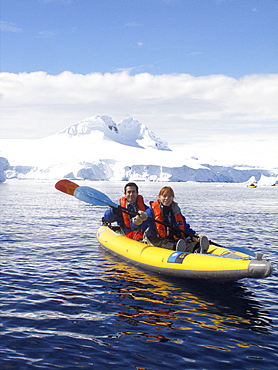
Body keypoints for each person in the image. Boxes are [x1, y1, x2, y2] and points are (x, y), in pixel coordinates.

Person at [142, 186, 209, 253]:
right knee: (172, 245)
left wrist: (194, 236)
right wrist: (139, 220)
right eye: (164, 196)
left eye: (169, 196)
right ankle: (178, 252)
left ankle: (198, 249)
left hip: (173, 239)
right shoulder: (151, 211)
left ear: (172, 198)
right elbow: (140, 224)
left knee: (187, 243)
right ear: (159, 197)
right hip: (156, 239)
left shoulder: (175, 211)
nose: (167, 199)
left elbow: (184, 228)